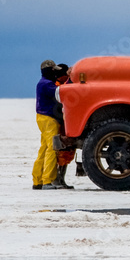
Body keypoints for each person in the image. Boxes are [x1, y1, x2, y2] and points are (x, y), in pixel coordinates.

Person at [33, 59, 64, 190]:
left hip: (41, 117)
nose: (56, 74)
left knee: (44, 149)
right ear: (49, 70)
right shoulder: (48, 85)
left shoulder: (42, 83)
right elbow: (61, 95)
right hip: (49, 119)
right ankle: (47, 181)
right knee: (52, 148)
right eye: (54, 71)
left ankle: (37, 180)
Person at [48, 63, 76, 189]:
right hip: (62, 122)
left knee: (66, 151)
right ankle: (57, 179)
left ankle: (59, 179)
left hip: (65, 121)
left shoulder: (60, 86)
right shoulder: (60, 86)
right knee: (63, 151)